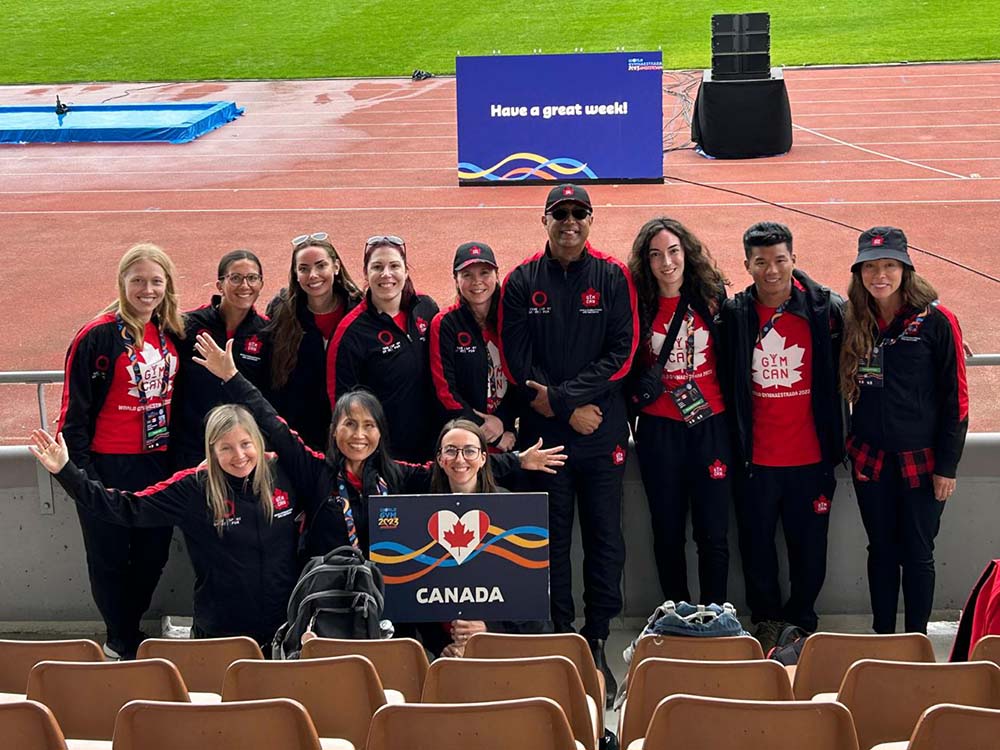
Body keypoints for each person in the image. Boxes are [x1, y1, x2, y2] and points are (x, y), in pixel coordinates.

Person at [194, 333, 565, 560]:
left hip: (390, 597)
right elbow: (273, 426)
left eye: (368, 426)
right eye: (349, 424)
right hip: (331, 598)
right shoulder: (315, 470)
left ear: (380, 433)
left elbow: (454, 465)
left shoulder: (396, 475)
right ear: (334, 431)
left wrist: (517, 460)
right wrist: (232, 376)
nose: (359, 435)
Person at [499, 183, 639, 705]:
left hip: (600, 429)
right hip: (545, 437)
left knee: (605, 539)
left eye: (579, 213)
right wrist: (562, 408)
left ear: (591, 220)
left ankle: (596, 637)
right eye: (560, 214)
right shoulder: (521, 280)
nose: (570, 222)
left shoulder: (612, 275)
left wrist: (566, 399)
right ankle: (560, 633)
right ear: (545, 221)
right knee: (550, 541)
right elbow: (516, 359)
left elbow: (622, 354)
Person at [31, 404, 309, 650]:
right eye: (226, 447)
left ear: (258, 442)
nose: (239, 455)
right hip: (221, 634)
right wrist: (66, 471)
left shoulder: (284, 474)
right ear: (212, 451)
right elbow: (126, 507)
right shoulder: (194, 489)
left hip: (284, 628)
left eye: (246, 444)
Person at [721, 221, 845, 653]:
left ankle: (802, 622)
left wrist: (943, 322)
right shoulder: (735, 314)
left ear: (794, 259)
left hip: (812, 458)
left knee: (809, 550)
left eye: (779, 260)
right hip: (756, 460)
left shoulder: (826, 309)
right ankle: (768, 620)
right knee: (756, 549)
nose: (771, 270)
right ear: (747, 266)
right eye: (760, 262)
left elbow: (876, 321)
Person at [57, 243, 185, 660]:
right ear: (122, 283)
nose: (147, 290)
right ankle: (120, 641)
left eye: (156, 281)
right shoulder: (97, 336)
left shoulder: (170, 331)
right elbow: (72, 416)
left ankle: (128, 629)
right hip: (106, 466)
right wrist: (83, 478)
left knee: (152, 556)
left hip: (157, 465)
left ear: (167, 286)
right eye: (138, 281)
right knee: (109, 559)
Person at [839, 227, 968, 634]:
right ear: (859, 272)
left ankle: (915, 638)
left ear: (906, 269)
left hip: (923, 461)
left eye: (889, 266)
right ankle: (883, 636)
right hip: (870, 458)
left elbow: (957, 400)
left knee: (917, 553)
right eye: (870, 267)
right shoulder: (851, 319)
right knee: (880, 550)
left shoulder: (937, 321)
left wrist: (947, 466)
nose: (880, 275)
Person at [626, 218, 732, 606]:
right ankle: (678, 615)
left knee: (713, 532)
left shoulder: (712, 298)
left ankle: (715, 615)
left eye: (673, 251)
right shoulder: (639, 306)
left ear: (686, 253)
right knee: (667, 531)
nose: (666, 263)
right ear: (646, 262)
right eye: (656, 255)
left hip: (711, 425)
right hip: (659, 429)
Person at [428, 419, 551, 658]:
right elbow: (414, 597)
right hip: (444, 649)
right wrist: (440, 645)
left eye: (469, 451)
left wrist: (488, 630)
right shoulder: (420, 512)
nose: (460, 459)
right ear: (440, 459)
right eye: (451, 451)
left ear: (484, 458)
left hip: (504, 644)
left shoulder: (513, 510)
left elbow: (532, 602)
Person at [327, 235, 440, 462]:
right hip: (386, 453)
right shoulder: (350, 332)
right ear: (366, 273)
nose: (386, 274)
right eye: (377, 267)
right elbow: (340, 402)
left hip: (434, 444)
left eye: (394, 266)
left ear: (406, 271)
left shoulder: (426, 307)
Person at [171, 249, 270, 470]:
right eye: (235, 278)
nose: (245, 285)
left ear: (261, 284)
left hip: (240, 451)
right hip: (192, 444)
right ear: (219, 285)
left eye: (252, 278)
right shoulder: (187, 325)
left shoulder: (267, 332)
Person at [266, 232, 362, 451]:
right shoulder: (281, 310)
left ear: (336, 267)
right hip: (297, 434)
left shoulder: (358, 308)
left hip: (350, 430)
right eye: (304, 268)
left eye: (321, 265)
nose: (313, 275)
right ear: (295, 273)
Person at [430, 242, 516, 452]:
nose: (477, 281)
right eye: (467, 275)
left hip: (508, 434)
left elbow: (519, 377)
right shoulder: (445, 323)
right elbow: (445, 390)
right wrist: (486, 431)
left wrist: (502, 421)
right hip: (464, 437)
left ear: (497, 275)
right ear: (456, 280)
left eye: (484, 273)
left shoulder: (511, 317)